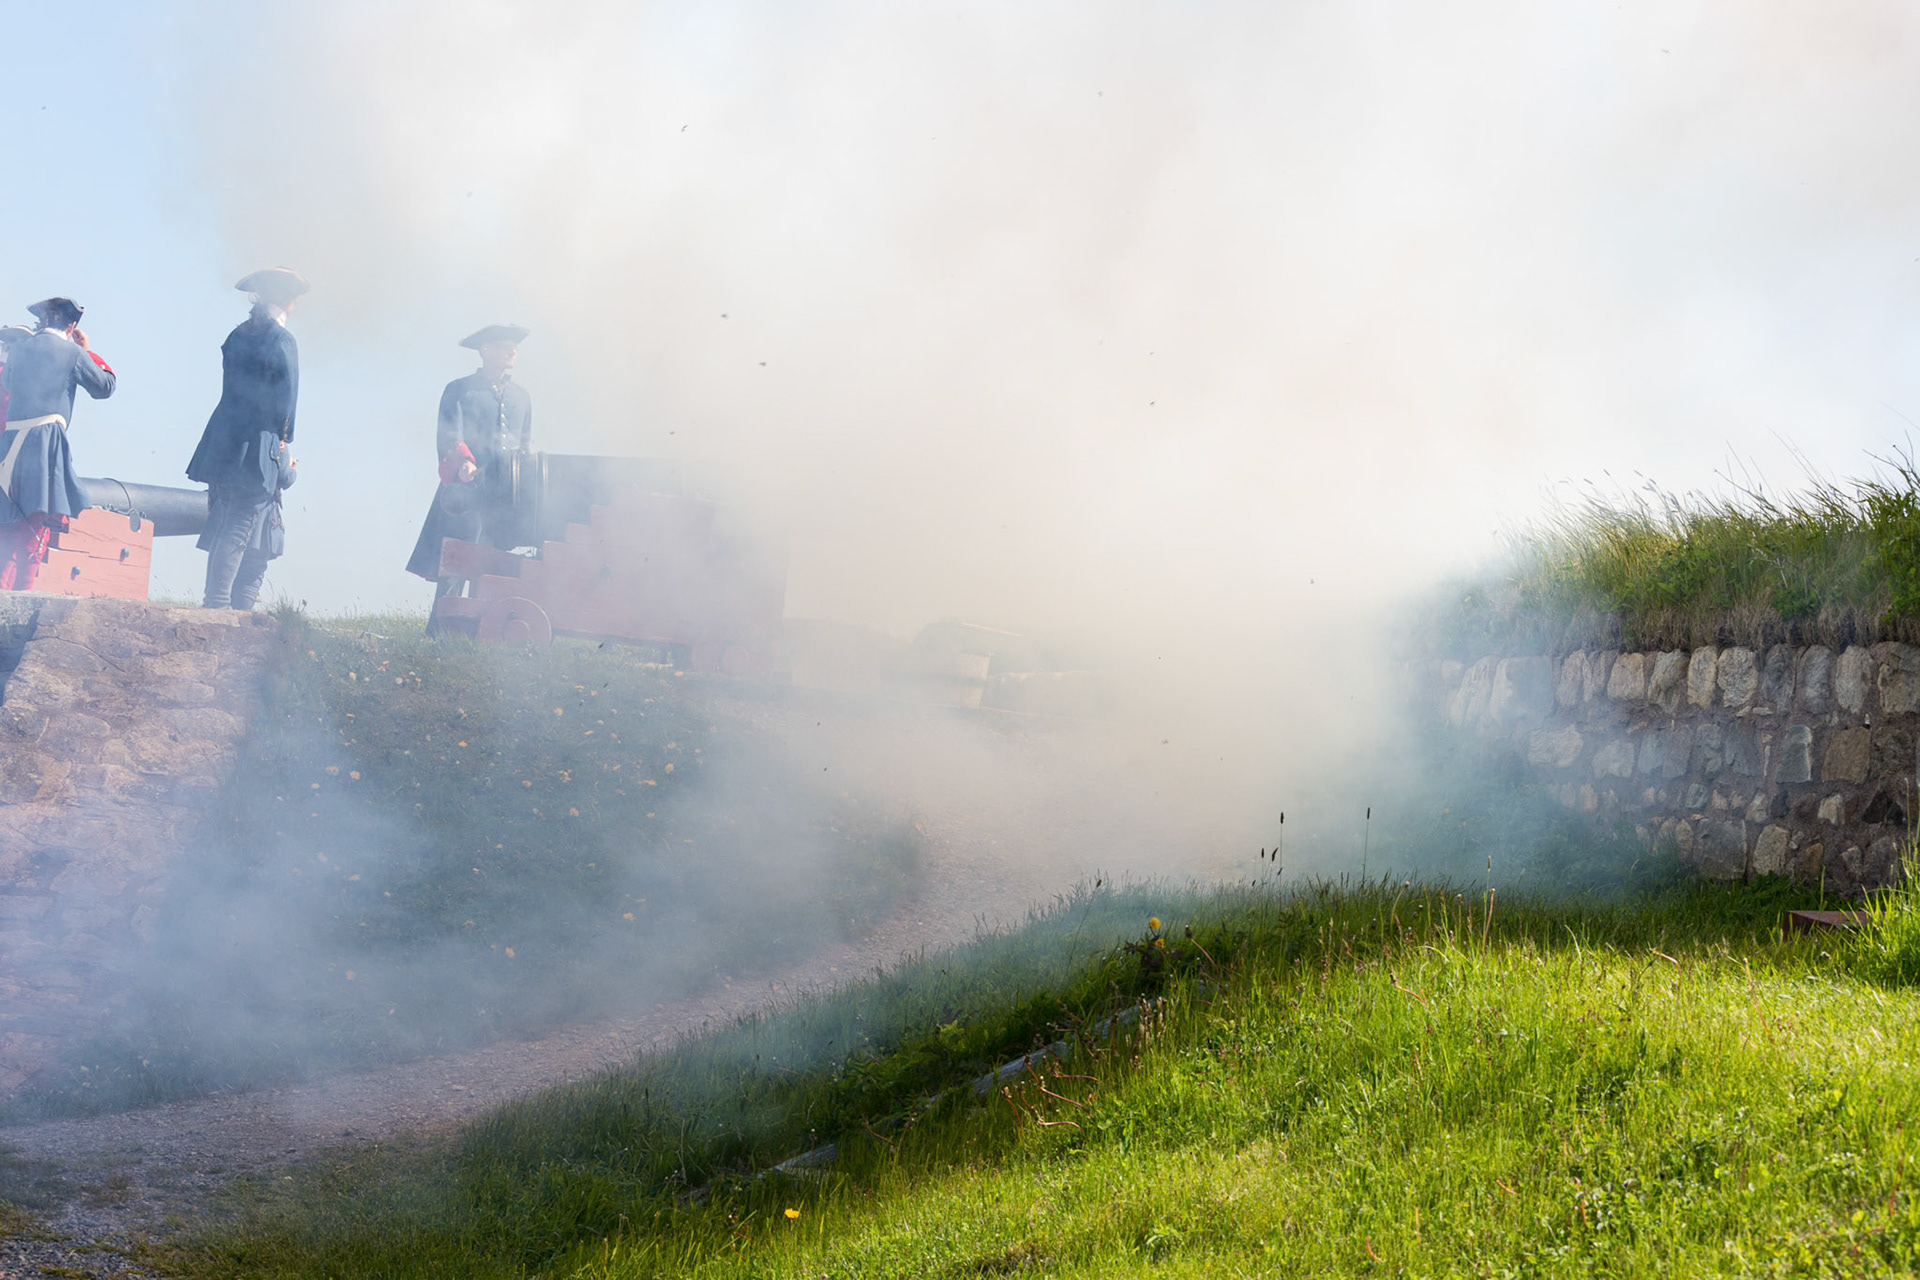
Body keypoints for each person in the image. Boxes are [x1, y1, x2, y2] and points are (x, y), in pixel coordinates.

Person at [186, 268, 306, 609]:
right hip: (257, 441)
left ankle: (218, 602)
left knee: (227, 519)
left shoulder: (237, 334)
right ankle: (218, 603)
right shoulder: (283, 340)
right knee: (239, 524)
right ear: (287, 299)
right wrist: (284, 438)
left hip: (223, 438)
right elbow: (287, 396)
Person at [405, 323, 532, 609]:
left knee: (495, 564)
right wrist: (464, 463)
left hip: (505, 495)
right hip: (466, 490)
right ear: (485, 351)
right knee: (457, 560)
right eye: (504, 346)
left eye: (514, 347)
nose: (512, 351)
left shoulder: (522, 397)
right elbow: (449, 434)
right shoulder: (458, 390)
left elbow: (524, 446)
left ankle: (481, 628)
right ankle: (441, 627)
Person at [0, 297, 115, 591]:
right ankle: (20, 598)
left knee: (8, 527)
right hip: (45, 444)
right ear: (71, 325)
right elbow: (104, 387)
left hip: (9, 446)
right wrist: (86, 351)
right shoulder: (73, 353)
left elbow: (9, 386)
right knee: (36, 527)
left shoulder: (19, 351)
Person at [195, 435, 295, 610]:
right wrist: (292, 468)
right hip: (262, 518)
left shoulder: (229, 434)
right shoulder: (274, 436)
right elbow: (284, 477)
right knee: (251, 572)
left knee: (227, 566)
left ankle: (218, 608)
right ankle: (239, 615)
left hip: (224, 509)